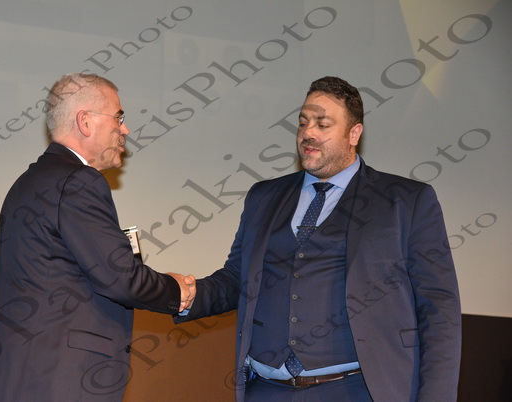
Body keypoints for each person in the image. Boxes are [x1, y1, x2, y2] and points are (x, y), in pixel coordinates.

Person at [177, 76, 461, 401]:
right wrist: (185, 294)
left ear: (354, 133)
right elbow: (236, 280)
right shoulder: (264, 196)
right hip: (266, 391)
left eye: (323, 124)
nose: (308, 133)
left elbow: (439, 308)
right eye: (303, 123)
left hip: (357, 391)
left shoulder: (405, 200)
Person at [0, 73, 196, 401]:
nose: (125, 129)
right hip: (61, 380)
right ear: (85, 121)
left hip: (23, 376)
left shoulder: (28, 182)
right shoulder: (80, 181)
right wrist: (176, 290)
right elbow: (121, 279)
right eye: (118, 117)